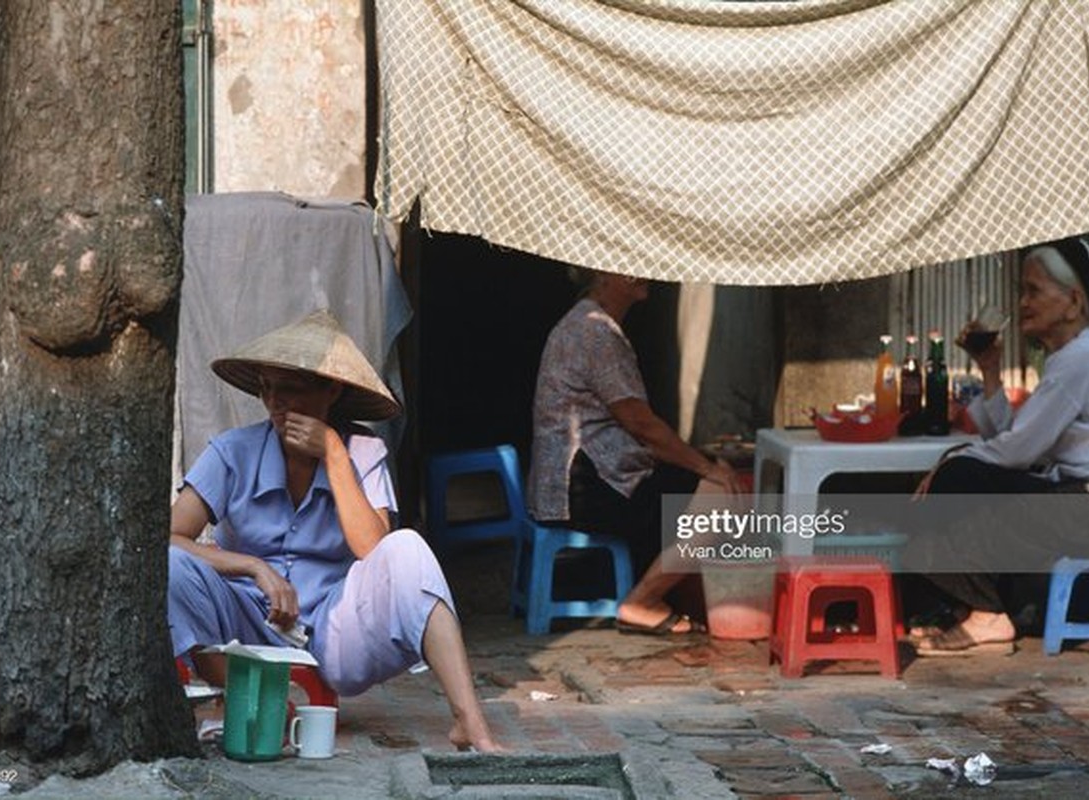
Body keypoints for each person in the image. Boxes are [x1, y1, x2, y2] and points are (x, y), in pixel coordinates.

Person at [168, 310, 503, 752]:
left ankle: (469, 723)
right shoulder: (233, 452)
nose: (275, 403)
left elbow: (373, 547)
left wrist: (332, 453)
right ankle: (246, 693)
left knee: (408, 549)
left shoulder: (363, 451)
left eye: (291, 389)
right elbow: (169, 537)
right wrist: (253, 568)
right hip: (243, 624)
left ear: (332, 390)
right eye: (267, 388)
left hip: (332, 630)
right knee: (168, 566)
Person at [906, 238, 1089, 655]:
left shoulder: (1083, 359)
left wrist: (948, 465)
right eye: (1023, 291)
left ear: (1073, 303)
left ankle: (988, 615)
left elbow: (1015, 452)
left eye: (1034, 291)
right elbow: (1015, 440)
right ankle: (987, 609)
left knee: (960, 480)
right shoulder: (1070, 359)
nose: (1022, 303)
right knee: (962, 485)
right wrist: (989, 370)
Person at [528, 268, 745, 636]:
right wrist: (707, 467)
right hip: (584, 488)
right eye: (624, 268)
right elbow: (640, 424)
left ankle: (668, 595)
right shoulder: (594, 330)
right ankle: (642, 601)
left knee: (693, 484)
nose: (640, 273)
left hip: (583, 481)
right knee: (722, 496)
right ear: (601, 276)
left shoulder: (586, 323)